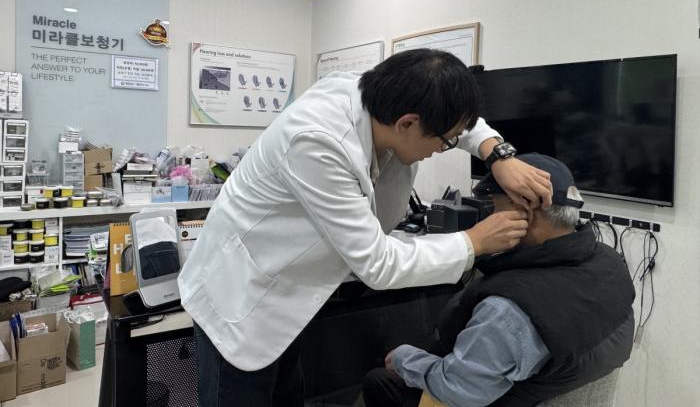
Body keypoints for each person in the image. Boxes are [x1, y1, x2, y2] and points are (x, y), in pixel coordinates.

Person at [178, 49, 554, 406]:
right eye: (444, 143)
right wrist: (473, 242)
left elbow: (460, 124)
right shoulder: (318, 141)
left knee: (285, 391)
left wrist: (498, 155)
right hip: (242, 294)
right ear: (407, 124)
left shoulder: (381, 95)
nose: (443, 149)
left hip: (286, 294)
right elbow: (377, 263)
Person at [364, 153, 635, 407]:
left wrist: (404, 359)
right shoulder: (611, 263)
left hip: (478, 394)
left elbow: (457, 388)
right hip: (547, 386)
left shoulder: (507, 311)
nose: (488, 220)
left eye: (493, 209)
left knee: (380, 381)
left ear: (525, 212)